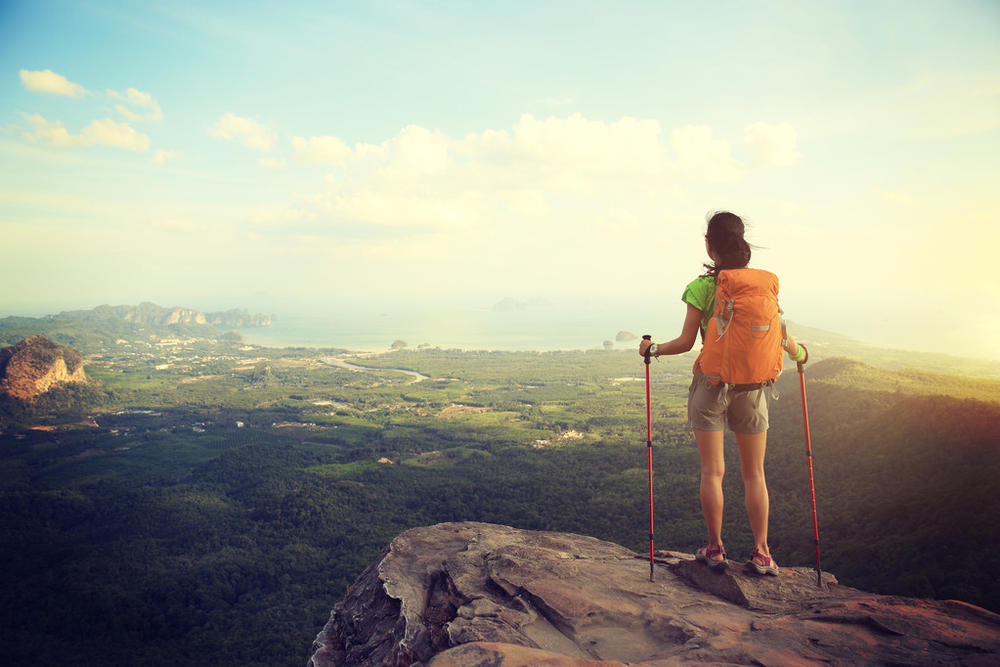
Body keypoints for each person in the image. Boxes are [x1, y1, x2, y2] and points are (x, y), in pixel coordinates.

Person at [639, 211, 806, 575]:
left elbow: (685, 343)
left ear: (709, 245)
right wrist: (801, 354)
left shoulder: (701, 288)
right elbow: (779, 336)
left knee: (712, 473)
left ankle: (715, 548)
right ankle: (762, 552)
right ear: (743, 244)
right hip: (752, 388)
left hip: (711, 387)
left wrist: (651, 349)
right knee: (754, 475)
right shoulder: (761, 288)